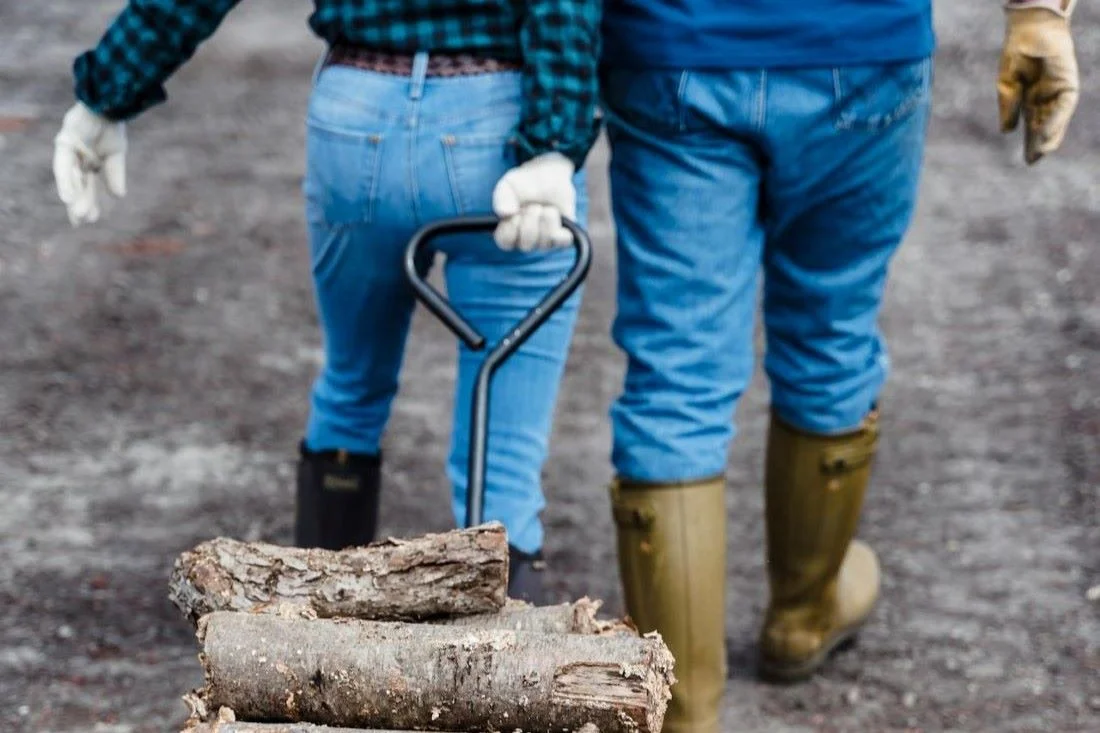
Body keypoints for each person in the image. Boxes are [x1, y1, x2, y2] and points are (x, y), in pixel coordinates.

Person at [597, 0, 1079, 729]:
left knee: (676, 373)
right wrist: (1038, 13)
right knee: (831, 328)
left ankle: (682, 708)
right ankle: (802, 613)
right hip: (861, 50)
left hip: (674, 48)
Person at [51, 0, 603, 604]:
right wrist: (553, 140)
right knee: (503, 453)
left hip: (357, 114)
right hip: (496, 122)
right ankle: (504, 679)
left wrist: (106, 94)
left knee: (352, 386)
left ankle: (312, 657)